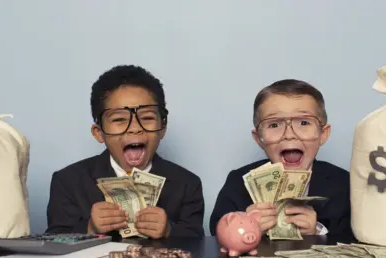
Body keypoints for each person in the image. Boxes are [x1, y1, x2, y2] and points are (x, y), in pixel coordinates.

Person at [46, 65, 205, 239]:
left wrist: (169, 231)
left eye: (147, 118)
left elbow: (198, 241)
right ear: (99, 133)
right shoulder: (68, 182)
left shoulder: (187, 184)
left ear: (163, 127)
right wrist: (89, 227)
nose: (135, 128)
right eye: (119, 119)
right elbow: (55, 238)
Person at [209, 79, 352, 238]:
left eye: (304, 122)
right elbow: (215, 231)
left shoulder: (344, 183)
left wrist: (318, 231)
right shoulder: (238, 181)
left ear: (323, 134)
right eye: (274, 125)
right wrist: (243, 225)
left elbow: (354, 237)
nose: (289, 135)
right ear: (258, 138)